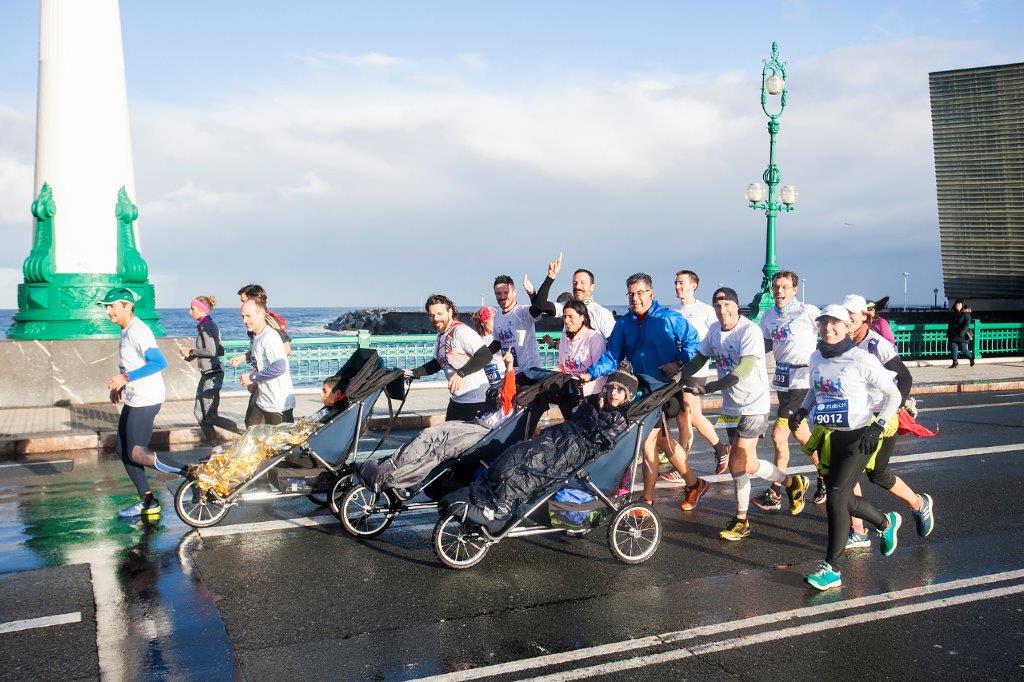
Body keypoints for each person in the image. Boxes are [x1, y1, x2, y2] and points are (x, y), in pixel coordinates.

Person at [442, 361, 637, 529]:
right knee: (516, 453)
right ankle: (481, 495)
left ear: (628, 395)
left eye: (620, 390)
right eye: (611, 387)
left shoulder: (620, 419)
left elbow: (602, 441)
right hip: (562, 438)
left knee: (532, 468)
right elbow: (575, 420)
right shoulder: (595, 403)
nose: (613, 393)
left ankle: (499, 510)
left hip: (575, 449)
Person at [681, 287, 809, 541]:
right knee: (746, 463)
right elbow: (698, 359)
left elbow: (744, 369)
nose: (722, 311)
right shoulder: (715, 331)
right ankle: (792, 483)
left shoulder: (749, 331)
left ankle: (741, 520)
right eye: (717, 307)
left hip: (754, 404)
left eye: (727, 305)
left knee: (737, 460)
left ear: (737, 306)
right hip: (731, 406)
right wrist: (676, 377)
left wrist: (709, 388)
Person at [793, 304, 903, 591]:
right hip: (831, 435)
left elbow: (894, 394)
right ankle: (885, 522)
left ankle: (832, 568)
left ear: (846, 327)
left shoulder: (861, 358)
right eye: (824, 323)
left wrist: (877, 426)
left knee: (836, 498)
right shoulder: (817, 356)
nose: (828, 328)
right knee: (842, 498)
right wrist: (803, 411)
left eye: (835, 324)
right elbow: (815, 390)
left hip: (860, 436)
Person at [577, 273, 708, 512]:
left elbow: (694, 343)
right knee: (661, 442)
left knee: (648, 442)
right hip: (640, 391)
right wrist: (590, 373)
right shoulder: (624, 324)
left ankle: (647, 500)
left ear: (651, 294)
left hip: (666, 389)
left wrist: (679, 363)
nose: (635, 298)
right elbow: (612, 356)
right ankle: (694, 483)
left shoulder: (669, 318)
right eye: (631, 294)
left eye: (640, 293)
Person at [842, 294, 935, 549]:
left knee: (877, 474)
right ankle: (858, 531)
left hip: (881, 418)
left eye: (852, 313)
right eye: (844, 312)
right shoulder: (843, 343)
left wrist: (893, 409)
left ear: (864, 316)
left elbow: (904, 378)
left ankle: (918, 504)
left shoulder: (876, 344)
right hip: (854, 417)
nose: (847, 317)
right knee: (850, 474)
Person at [755, 270, 825, 511]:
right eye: (776, 287)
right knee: (802, 435)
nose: (779, 291)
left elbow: (830, 333)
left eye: (785, 287)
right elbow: (762, 344)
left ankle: (776, 490)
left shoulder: (808, 312)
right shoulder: (768, 316)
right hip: (783, 379)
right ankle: (825, 473)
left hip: (803, 380)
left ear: (795, 289)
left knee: (778, 435)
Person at [99, 287, 168, 519]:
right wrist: (119, 386)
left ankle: (190, 472)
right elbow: (129, 362)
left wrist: (125, 378)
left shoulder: (139, 330)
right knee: (122, 448)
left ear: (127, 306)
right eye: (107, 307)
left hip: (147, 398)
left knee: (137, 453)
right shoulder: (125, 329)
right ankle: (148, 500)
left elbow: (159, 362)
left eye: (113, 306)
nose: (108, 311)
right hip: (134, 396)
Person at [669, 269, 730, 479]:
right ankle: (721, 448)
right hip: (678, 369)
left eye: (681, 283)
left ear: (693, 285)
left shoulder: (705, 310)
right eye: (676, 283)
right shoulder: (673, 311)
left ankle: (681, 467)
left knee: (687, 416)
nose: (678, 286)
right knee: (686, 417)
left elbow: (719, 333)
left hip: (697, 368)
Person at [407, 294, 499, 422]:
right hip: (457, 403)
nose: (436, 319)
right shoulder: (440, 336)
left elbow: (485, 355)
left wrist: (460, 374)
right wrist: (413, 372)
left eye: (440, 314)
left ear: (450, 311)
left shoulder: (460, 331)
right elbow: (437, 364)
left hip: (476, 402)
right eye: (432, 315)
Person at [230, 284, 295, 425]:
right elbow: (259, 357)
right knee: (252, 428)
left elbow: (280, 365)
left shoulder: (269, 335)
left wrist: (254, 376)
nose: (244, 320)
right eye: (243, 316)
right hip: (264, 397)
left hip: (278, 402)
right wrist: (255, 378)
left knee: (284, 444)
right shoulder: (257, 335)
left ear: (260, 312)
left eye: (248, 316)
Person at [178, 295, 240, 441]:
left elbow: (211, 351)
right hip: (207, 374)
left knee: (210, 417)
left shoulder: (207, 326)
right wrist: (192, 356)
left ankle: (243, 433)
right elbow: (218, 350)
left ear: (201, 309)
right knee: (199, 414)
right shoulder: (206, 324)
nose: (190, 312)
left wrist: (192, 351)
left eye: (192, 309)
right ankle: (215, 449)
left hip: (213, 375)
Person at [493, 254, 559, 370]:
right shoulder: (497, 316)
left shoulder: (522, 312)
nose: (502, 297)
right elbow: (497, 343)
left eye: (506, 293)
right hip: (510, 372)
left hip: (530, 372)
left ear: (514, 293)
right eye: (498, 294)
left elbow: (538, 307)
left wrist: (533, 292)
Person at [553, 300, 607, 417]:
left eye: (571, 317)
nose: (566, 321)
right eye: (564, 317)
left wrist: (584, 387)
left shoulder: (594, 338)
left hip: (590, 394)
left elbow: (601, 370)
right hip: (568, 392)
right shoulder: (564, 338)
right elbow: (561, 366)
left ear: (582, 316)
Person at [569, 268, 616, 338]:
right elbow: (546, 306)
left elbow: (615, 343)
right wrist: (551, 277)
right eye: (574, 283)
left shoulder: (601, 313)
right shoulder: (567, 311)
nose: (577, 286)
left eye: (583, 283)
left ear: (592, 287)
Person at [471, 305, 506, 390]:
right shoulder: (475, 340)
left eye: (496, 319)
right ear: (483, 322)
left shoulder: (499, 337)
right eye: (492, 319)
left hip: (502, 377)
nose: (496, 322)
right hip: (484, 381)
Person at [946, 298, 974, 368]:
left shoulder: (966, 314)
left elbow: (966, 325)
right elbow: (950, 324)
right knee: (953, 348)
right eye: (956, 304)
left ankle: (971, 358)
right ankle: (955, 362)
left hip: (962, 335)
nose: (957, 305)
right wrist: (948, 333)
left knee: (963, 349)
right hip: (953, 334)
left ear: (962, 305)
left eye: (959, 304)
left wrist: (961, 334)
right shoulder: (953, 314)